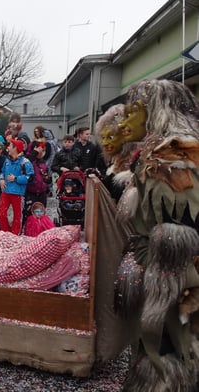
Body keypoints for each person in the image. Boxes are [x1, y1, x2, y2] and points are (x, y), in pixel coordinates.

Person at [113, 79, 199, 391]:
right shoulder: (161, 151)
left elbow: (178, 231)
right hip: (163, 268)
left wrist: (159, 283)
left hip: (173, 274)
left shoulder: (175, 154)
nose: (123, 122)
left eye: (132, 112)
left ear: (156, 112)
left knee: (169, 342)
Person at [0, 139, 34, 235]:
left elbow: (30, 178)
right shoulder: (7, 160)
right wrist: (1, 179)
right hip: (6, 191)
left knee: (17, 216)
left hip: (18, 193)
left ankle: (15, 234)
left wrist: (16, 178)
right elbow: (2, 172)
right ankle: (5, 233)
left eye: (10, 145)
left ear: (15, 148)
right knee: (1, 213)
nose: (8, 147)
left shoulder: (25, 162)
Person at [24, 140, 52, 222]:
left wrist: (47, 180)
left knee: (41, 213)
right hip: (31, 192)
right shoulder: (28, 160)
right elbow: (26, 163)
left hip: (42, 192)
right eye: (40, 150)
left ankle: (40, 226)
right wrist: (34, 152)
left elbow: (47, 176)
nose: (41, 152)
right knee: (29, 213)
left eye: (43, 151)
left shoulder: (43, 162)